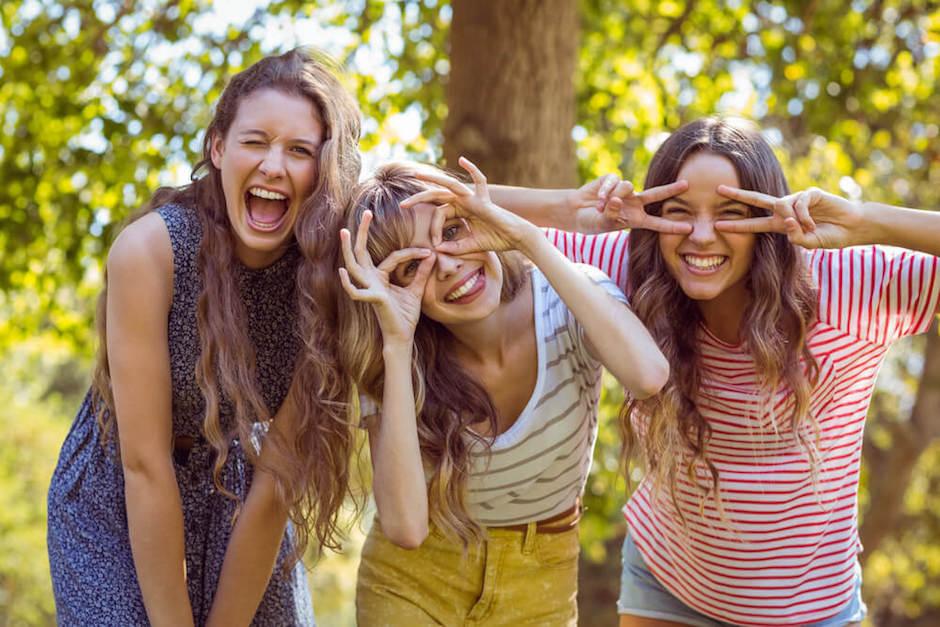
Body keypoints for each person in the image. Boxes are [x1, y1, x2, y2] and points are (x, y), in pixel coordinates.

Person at [546, 117, 940, 626]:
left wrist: (866, 220)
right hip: (667, 584)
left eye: (731, 214)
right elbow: (449, 209)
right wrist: (567, 210)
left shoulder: (847, 284)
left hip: (811, 607)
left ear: (768, 217)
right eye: (678, 213)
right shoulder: (633, 270)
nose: (701, 236)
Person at [46, 48, 362, 626]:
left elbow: (275, 483)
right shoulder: (150, 252)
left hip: (238, 486)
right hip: (118, 492)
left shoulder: (326, 277)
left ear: (325, 170)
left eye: (299, 150)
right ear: (218, 149)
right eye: (255, 141)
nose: (273, 165)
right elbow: (145, 465)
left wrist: (570, 208)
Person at [336, 158, 670, 626]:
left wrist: (528, 236)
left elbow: (649, 375)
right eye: (414, 265)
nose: (449, 267)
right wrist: (396, 342)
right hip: (414, 581)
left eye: (452, 232)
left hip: (539, 580)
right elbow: (406, 528)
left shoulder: (566, 300)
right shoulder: (395, 355)